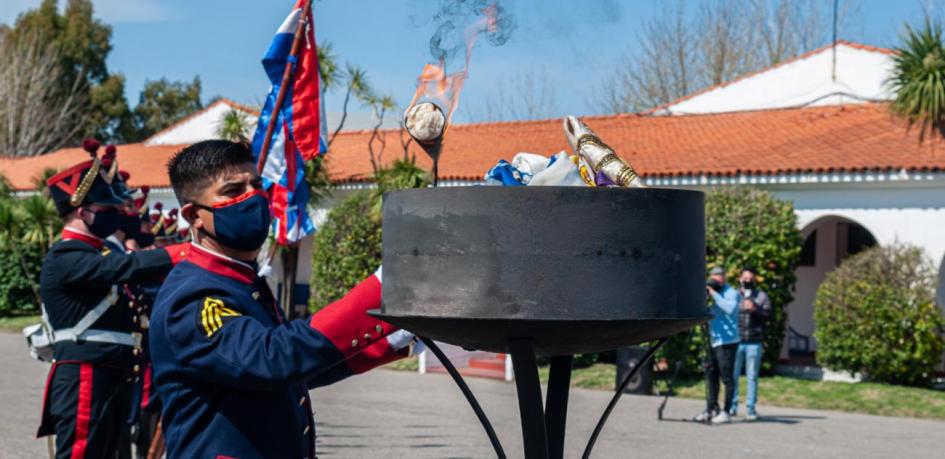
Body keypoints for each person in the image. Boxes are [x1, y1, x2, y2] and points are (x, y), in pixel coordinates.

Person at [150, 140, 416, 458]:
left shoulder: (241, 281)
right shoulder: (193, 296)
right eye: (233, 191)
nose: (253, 197)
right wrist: (383, 286)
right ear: (194, 215)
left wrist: (392, 336)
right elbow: (273, 359)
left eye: (257, 185)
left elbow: (295, 375)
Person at [37, 139, 187, 458]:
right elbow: (124, 266)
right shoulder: (65, 256)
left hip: (110, 374)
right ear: (83, 212)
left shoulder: (94, 252)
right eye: (107, 209)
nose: (117, 214)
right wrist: (185, 252)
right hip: (86, 374)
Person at [693, 266, 740, 424]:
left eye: (717, 277)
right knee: (710, 375)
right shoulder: (712, 293)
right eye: (712, 277)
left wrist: (713, 294)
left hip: (728, 342)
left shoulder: (731, 292)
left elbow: (729, 309)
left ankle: (726, 412)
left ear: (724, 277)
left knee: (727, 378)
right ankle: (711, 408)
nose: (714, 280)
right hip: (714, 340)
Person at [730, 267, 772, 421]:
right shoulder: (733, 295)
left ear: (754, 280)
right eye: (744, 279)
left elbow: (768, 316)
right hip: (736, 342)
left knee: (752, 377)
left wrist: (756, 309)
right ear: (740, 279)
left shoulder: (761, 296)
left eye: (750, 279)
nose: (747, 281)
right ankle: (731, 406)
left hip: (754, 342)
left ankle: (750, 409)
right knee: (733, 376)